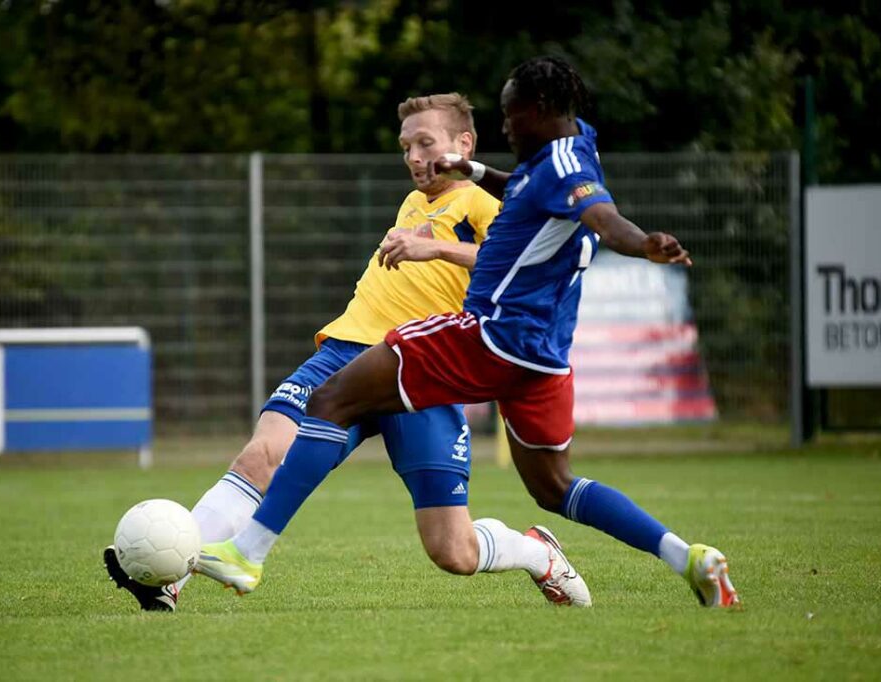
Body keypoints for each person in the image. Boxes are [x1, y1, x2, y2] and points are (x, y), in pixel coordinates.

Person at [195, 56, 740, 609]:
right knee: (555, 487)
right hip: (545, 360)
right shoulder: (574, 146)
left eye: (512, 114)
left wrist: (643, 243)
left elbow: (602, 217)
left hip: (487, 338)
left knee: (331, 398)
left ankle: (248, 553)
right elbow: (538, 189)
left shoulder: (566, 175)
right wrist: (475, 171)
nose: (506, 126)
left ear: (542, 110)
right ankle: (685, 556)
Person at [105, 91, 591, 612]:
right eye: (406, 146)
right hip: (347, 352)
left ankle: (539, 554)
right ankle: (171, 576)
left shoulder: (488, 202)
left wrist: (438, 248)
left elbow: (520, 265)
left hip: (425, 374)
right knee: (262, 453)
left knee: (452, 550)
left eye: (425, 143)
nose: (413, 157)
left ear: (464, 144)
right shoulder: (414, 202)